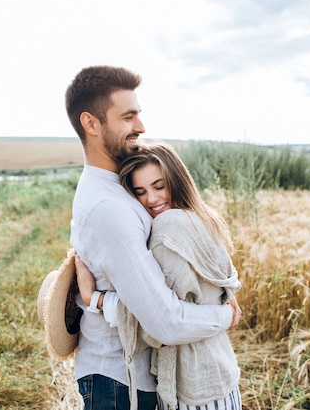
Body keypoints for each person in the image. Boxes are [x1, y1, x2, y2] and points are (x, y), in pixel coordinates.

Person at [65, 65, 241, 410]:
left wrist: (97, 299)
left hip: (132, 376)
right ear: (91, 123)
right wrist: (226, 316)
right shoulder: (109, 207)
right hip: (119, 381)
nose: (141, 127)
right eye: (128, 117)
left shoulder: (116, 190)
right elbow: (166, 322)